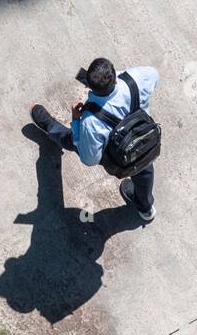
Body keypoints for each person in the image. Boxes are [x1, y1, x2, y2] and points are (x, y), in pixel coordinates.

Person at [30, 57, 159, 222]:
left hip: (119, 154)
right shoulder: (138, 78)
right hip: (143, 142)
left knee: (76, 140)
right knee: (144, 169)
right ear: (113, 72)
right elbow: (155, 76)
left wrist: (77, 121)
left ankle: (49, 125)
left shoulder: (91, 121)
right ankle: (146, 209)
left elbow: (90, 159)